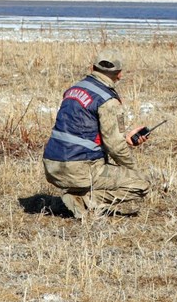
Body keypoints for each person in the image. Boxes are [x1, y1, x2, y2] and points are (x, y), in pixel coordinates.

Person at [42, 50, 151, 219]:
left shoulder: (73, 89)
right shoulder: (108, 100)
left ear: (92, 68)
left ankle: (74, 195)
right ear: (120, 74)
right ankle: (84, 200)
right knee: (141, 184)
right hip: (80, 168)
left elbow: (84, 133)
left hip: (52, 165)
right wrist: (132, 170)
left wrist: (126, 138)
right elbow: (115, 146)